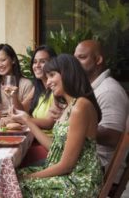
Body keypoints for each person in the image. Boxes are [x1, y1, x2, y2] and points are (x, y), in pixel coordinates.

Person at [12, 54, 103, 197]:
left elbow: (66, 165)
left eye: (52, 75)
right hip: (68, 173)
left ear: (67, 73)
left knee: (15, 185)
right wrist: (28, 121)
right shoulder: (70, 105)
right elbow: (54, 147)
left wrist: (30, 177)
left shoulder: (80, 107)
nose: (48, 83)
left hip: (79, 180)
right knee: (10, 176)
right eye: (47, 77)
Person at [74, 40, 129, 171]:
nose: (75, 63)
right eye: (74, 58)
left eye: (81, 57)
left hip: (99, 168)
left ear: (98, 60)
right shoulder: (92, 88)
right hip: (86, 162)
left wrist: (76, 124)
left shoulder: (109, 91)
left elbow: (113, 137)